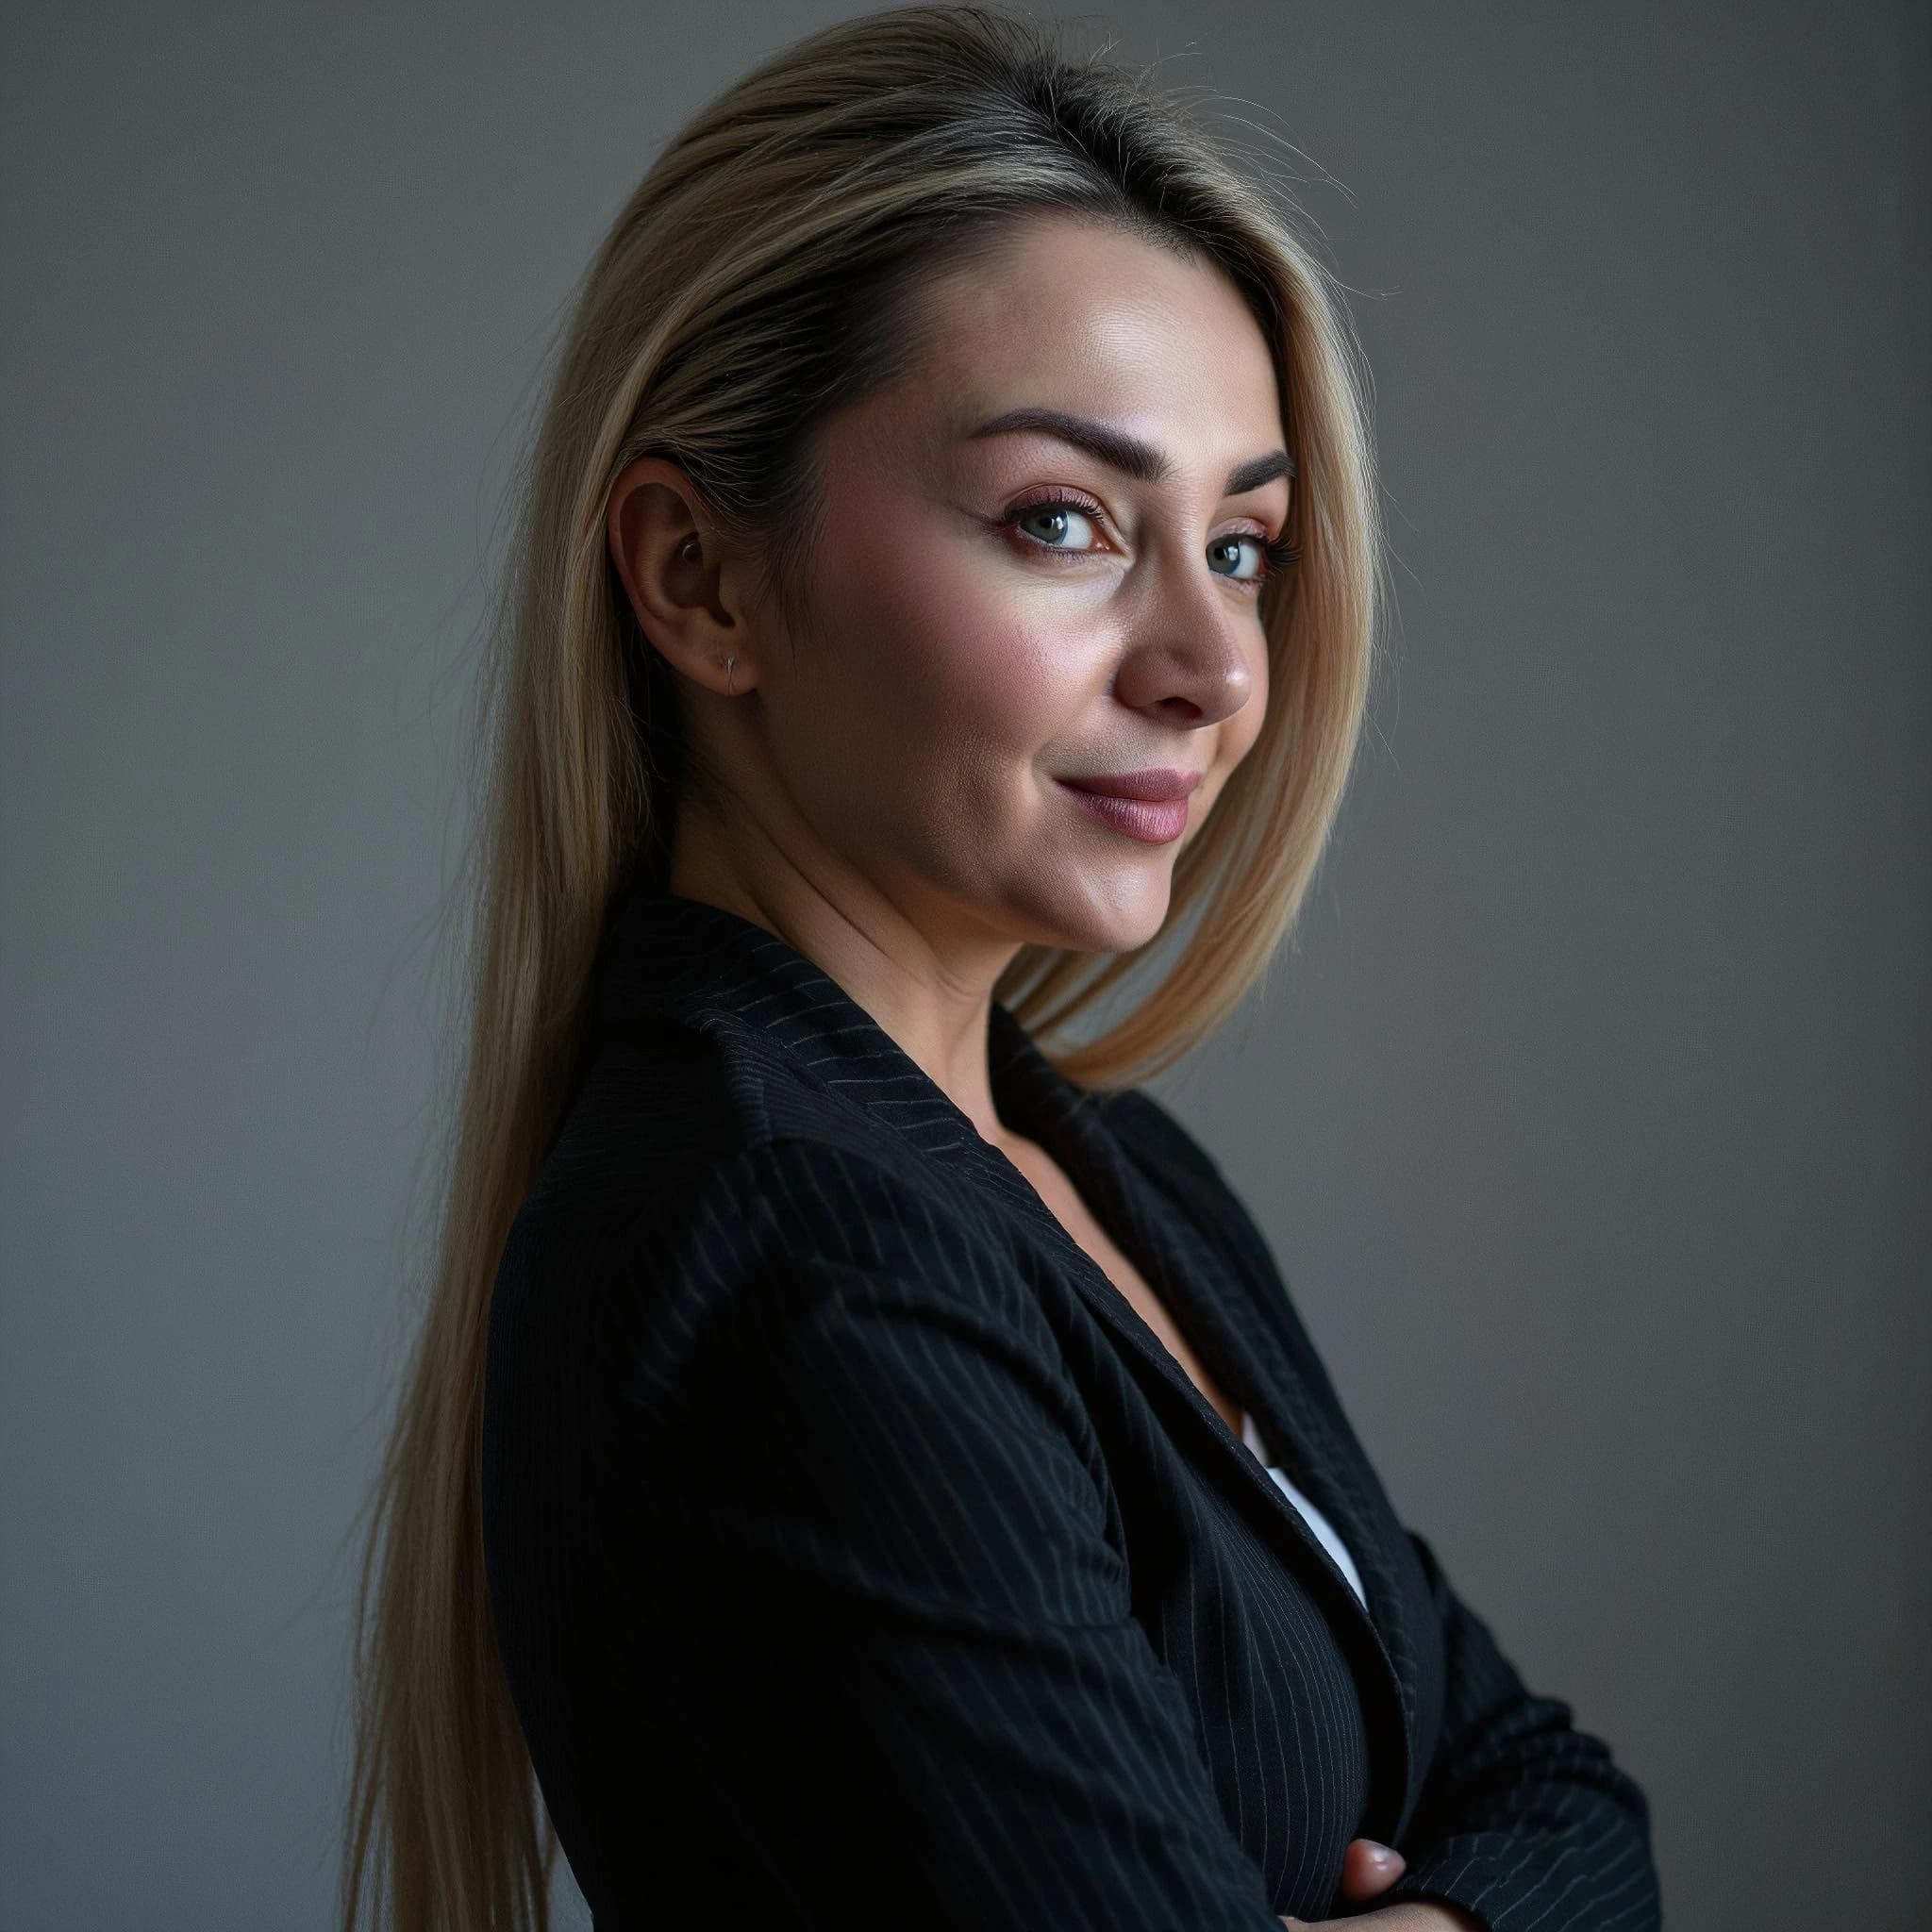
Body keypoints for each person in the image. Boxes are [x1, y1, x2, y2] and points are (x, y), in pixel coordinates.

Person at [341, 8, 1662, 1928]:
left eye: (1239, 544)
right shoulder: (804, 1256)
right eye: (1064, 521)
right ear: (699, 578)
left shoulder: (1106, 1171)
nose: (1210, 671)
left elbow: (1559, 1791)